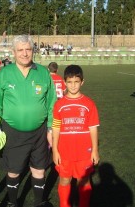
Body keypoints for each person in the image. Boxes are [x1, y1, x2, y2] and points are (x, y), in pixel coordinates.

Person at [0, 35, 57, 207]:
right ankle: (13, 203)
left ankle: (39, 202)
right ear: (13, 52)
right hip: (12, 132)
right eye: (20, 50)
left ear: (33, 50)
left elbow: (52, 103)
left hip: (40, 132)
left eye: (28, 49)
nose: (25, 53)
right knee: (13, 171)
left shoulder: (43, 73)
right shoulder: (4, 74)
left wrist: (50, 128)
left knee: (39, 168)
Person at [52, 65, 100, 207]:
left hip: (84, 152)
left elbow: (93, 128)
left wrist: (95, 150)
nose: (73, 85)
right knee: (65, 180)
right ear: (65, 82)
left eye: (76, 81)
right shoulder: (59, 105)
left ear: (82, 82)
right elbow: (56, 127)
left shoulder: (89, 104)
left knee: (83, 181)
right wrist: (55, 150)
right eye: (70, 82)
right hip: (64, 151)